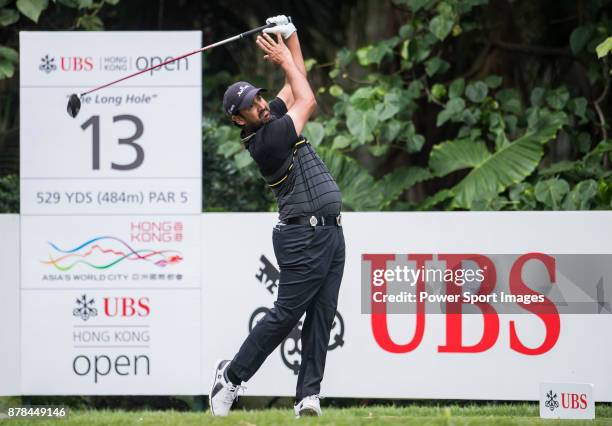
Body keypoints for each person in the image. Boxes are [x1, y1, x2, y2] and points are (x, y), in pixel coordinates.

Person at [209, 15, 345, 418]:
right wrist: (284, 55)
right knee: (287, 314)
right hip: (302, 235)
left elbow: (295, 83)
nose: (261, 104)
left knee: (321, 314)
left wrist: (291, 36)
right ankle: (231, 377)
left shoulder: (270, 117)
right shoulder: (266, 140)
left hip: (330, 234)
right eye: (251, 105)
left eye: (260, 97)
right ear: (239, 119)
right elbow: (308, 100)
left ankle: (308, 395)